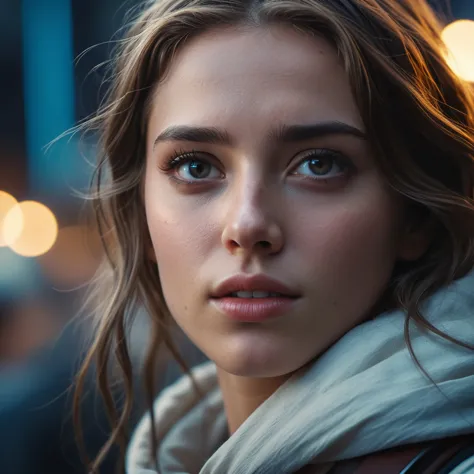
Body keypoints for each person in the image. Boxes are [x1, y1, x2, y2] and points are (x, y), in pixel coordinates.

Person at [73, 0, 474, 472]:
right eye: (195, 166)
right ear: (140, 212)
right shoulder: (179, 450)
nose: (246, 225)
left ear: (415, 215)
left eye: (318, 164)